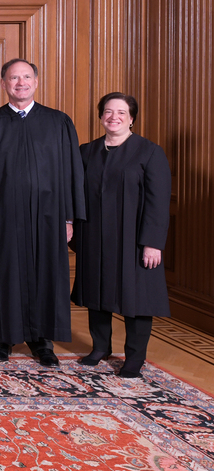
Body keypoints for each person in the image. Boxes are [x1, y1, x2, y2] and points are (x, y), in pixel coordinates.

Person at [0, 58, 85, 367]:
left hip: (49, 216)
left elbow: (71, 172)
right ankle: (2, 337)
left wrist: (69, 217)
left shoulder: (58, 122)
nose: (20, 83)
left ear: (36, 82)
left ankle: (42, 340)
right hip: (2, 217)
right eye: (13, 78)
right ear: (3, 84)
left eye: (26, 77)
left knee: (46, 274)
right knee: (2, 273)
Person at [72, 93, 171, 379]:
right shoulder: (86, 151)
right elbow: (76, 194)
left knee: (136, 298)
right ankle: (100, 347)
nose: (114, 117)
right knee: (96, 292)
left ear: (132, 118)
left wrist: (152, 243)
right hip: (94, 235)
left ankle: (134, 358)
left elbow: (158, 201)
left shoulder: (149, 152)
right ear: (101, 116)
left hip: (134, 238)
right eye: (108, 111)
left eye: (121, 112)